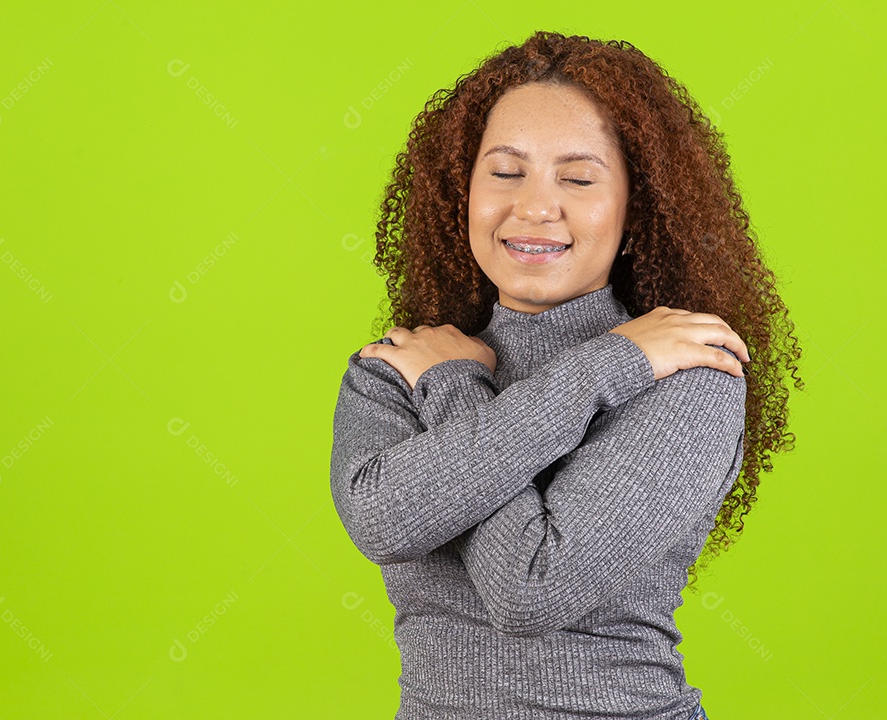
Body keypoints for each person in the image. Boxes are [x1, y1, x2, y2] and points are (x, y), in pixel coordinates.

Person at [329, 30, 803, 720]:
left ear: (636, 207)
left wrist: (477, 383)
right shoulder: (399, 368)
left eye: (578, 179)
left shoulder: (690, 374)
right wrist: (472, 372)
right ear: (461, 189)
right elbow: (381, 521)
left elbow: (531, 589)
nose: (534, 207)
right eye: (504, 171)